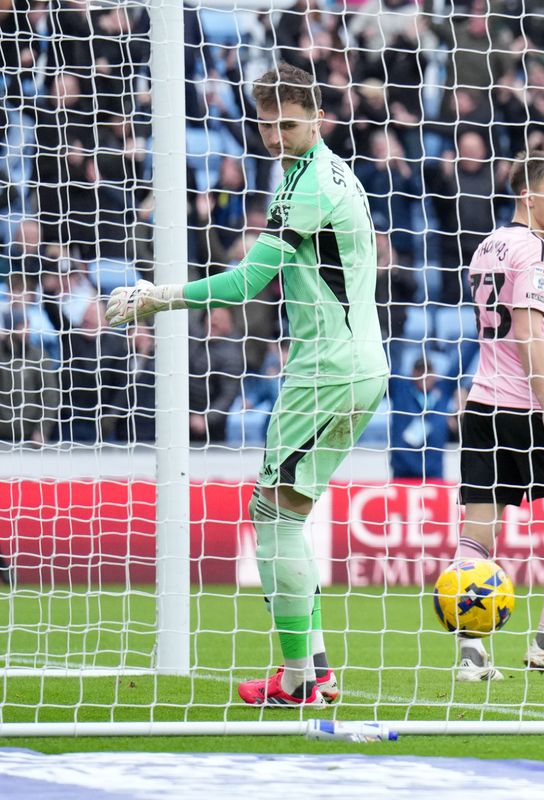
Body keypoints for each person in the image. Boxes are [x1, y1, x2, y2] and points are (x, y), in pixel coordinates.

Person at [105, 64, 387, 707]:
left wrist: (161, 297)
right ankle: (313, 674)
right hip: (356, 362)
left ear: (318, 119)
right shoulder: (328, 173)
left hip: (327, 368)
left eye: (288, 124)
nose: (274, 136)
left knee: (271, 516)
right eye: (266, 124)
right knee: (287, 513)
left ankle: (298, 683)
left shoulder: (305, 186)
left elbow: (244, 286)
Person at [452, 149, 544, 682]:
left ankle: (471, 656)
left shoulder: (488, 246)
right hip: (525, 409)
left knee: (477, 531)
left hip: (481, 404)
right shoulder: (538, 251)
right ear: (527, 195)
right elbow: (529, 332)